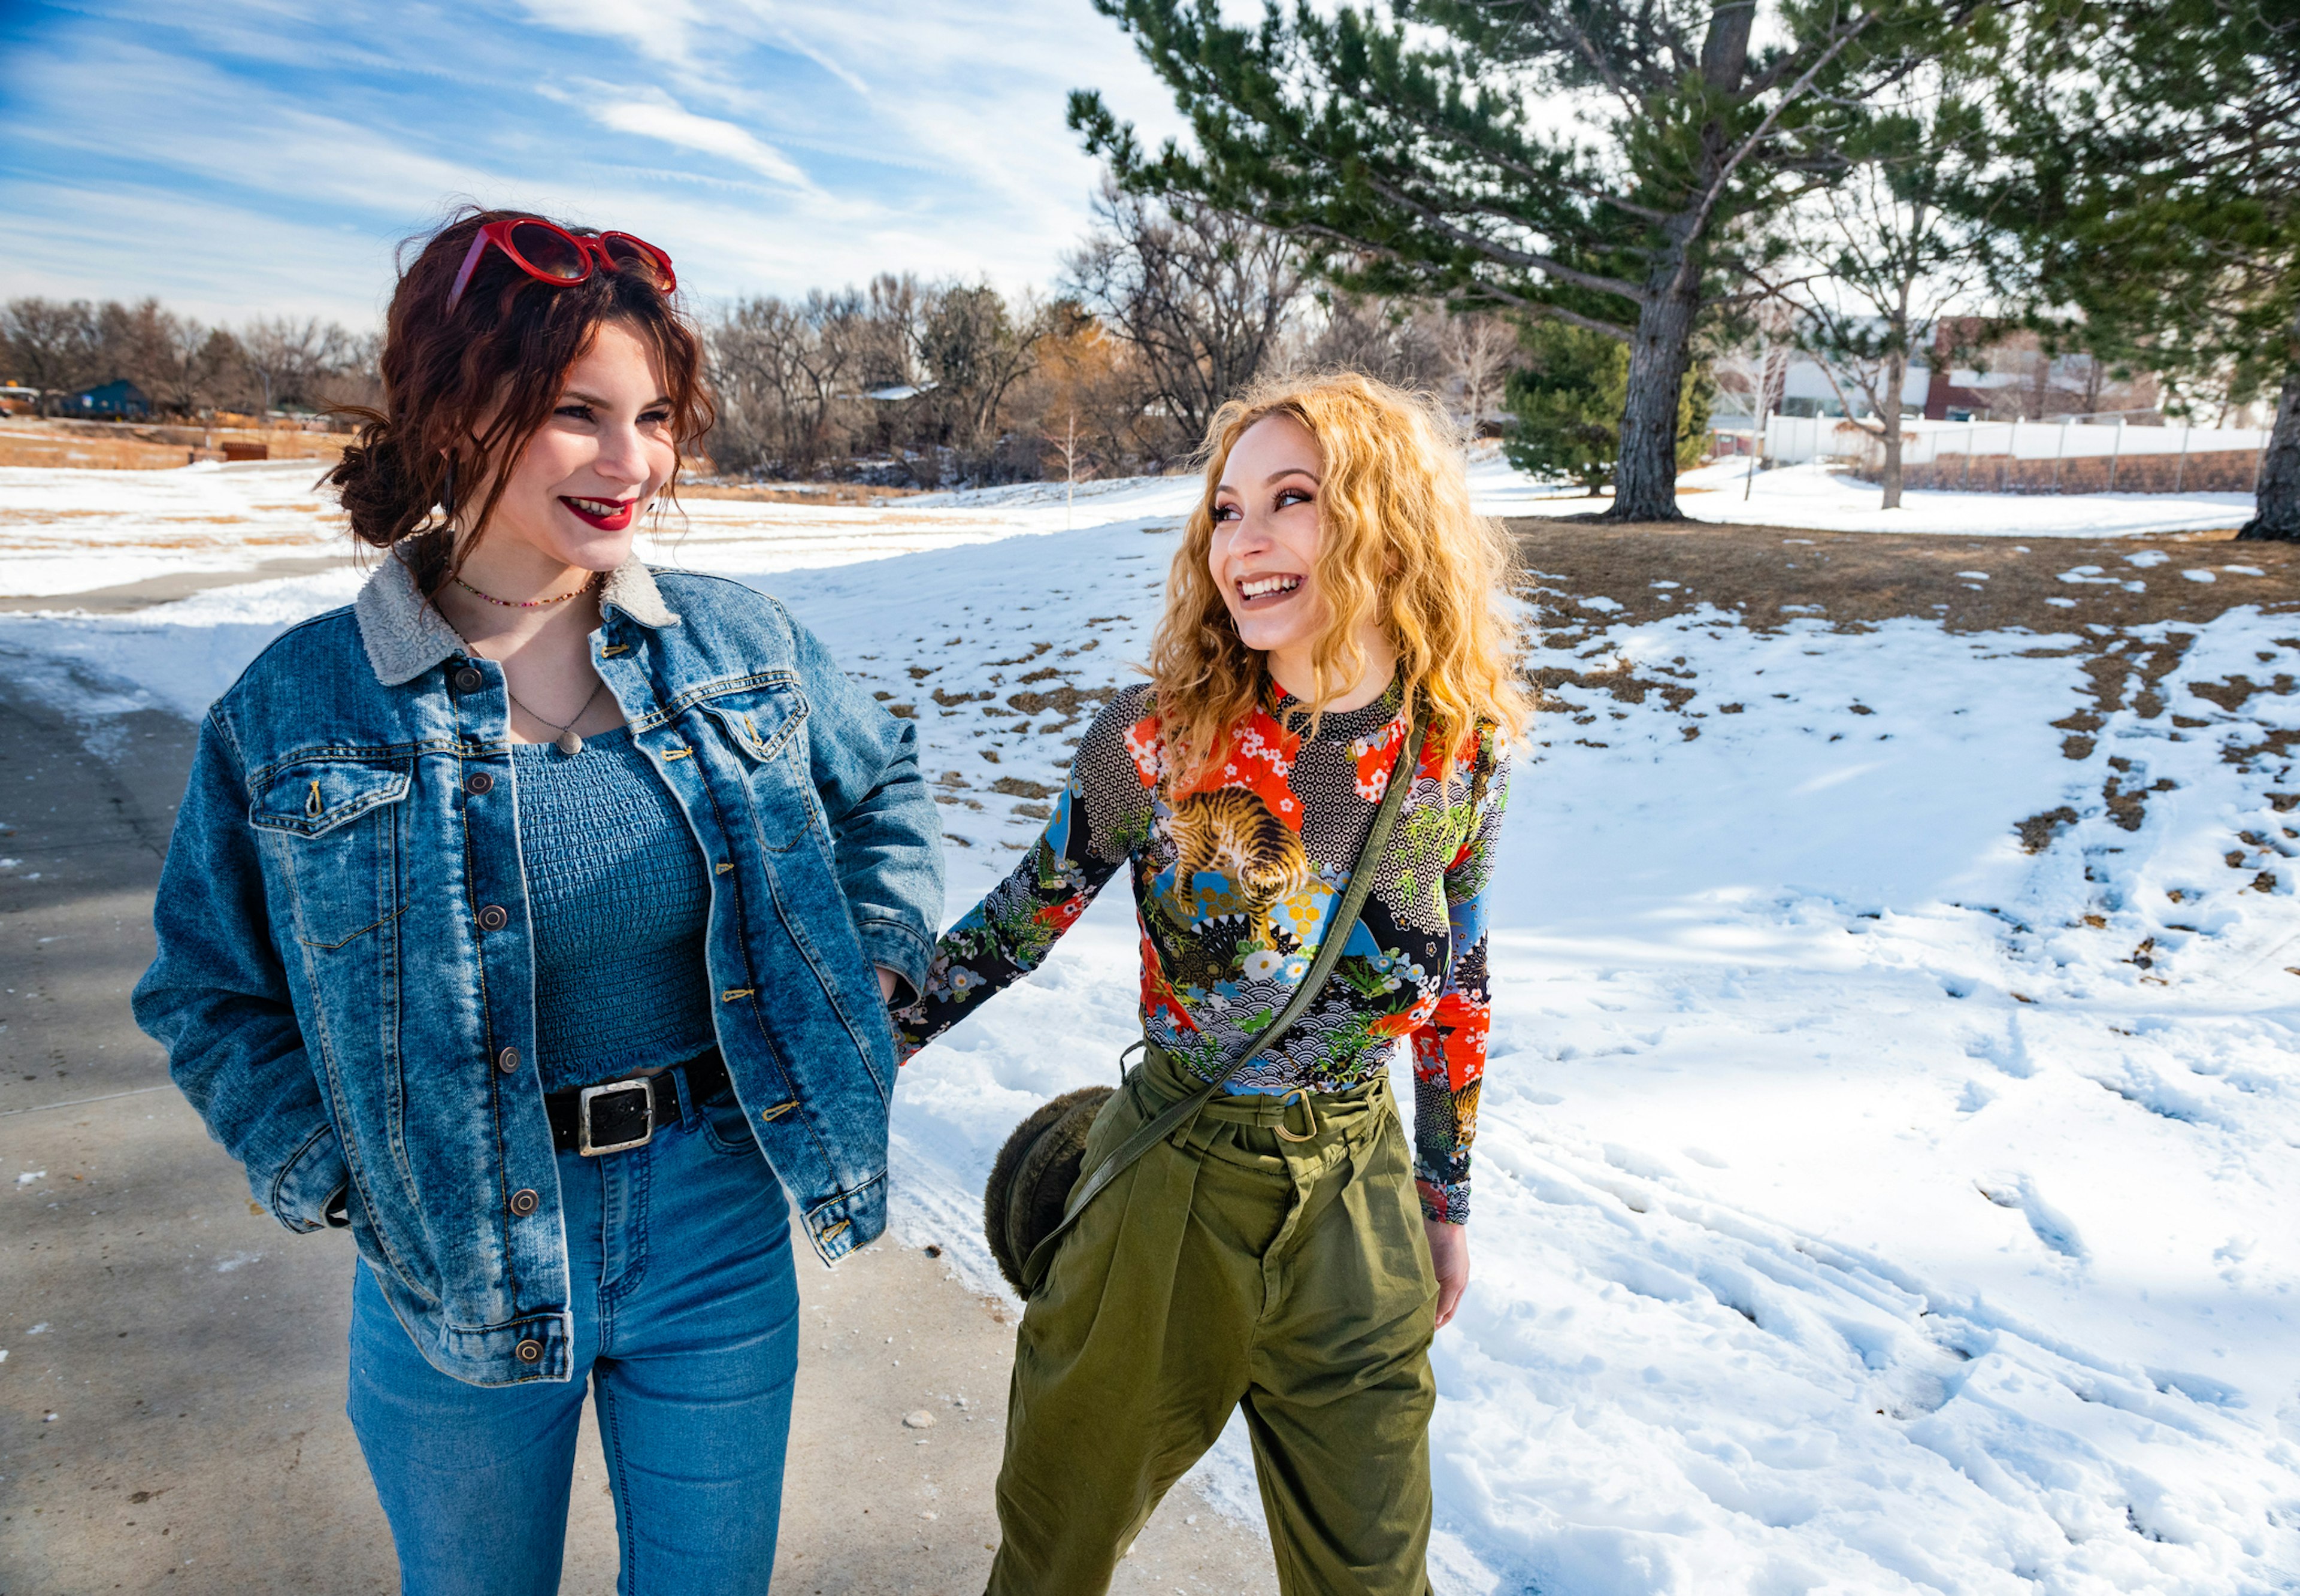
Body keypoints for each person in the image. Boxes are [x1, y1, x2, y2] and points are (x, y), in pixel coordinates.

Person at [131, 208, 942, 1595]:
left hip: (716, 1223)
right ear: (460, 411)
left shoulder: (740, 645)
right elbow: (205, 991)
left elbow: (884, 795)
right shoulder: (300, 704)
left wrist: (867, 967)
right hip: (455, 1249)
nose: (634, 461)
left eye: (656, 416)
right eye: (581, 412)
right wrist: (345, 1180)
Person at [896, 371, 1524, 1595]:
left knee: (1375, 1575)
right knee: (1055, 1552)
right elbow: (1018, 923)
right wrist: (867, 1043)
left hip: (1359, 1201)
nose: (1245, 542)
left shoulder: (1462, 747)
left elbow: (1464, 983)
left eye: (1292, 499)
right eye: (1225, 511)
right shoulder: (1159, 736)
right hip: (1169, 1194)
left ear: (1387, 521)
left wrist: (1443, 1199)